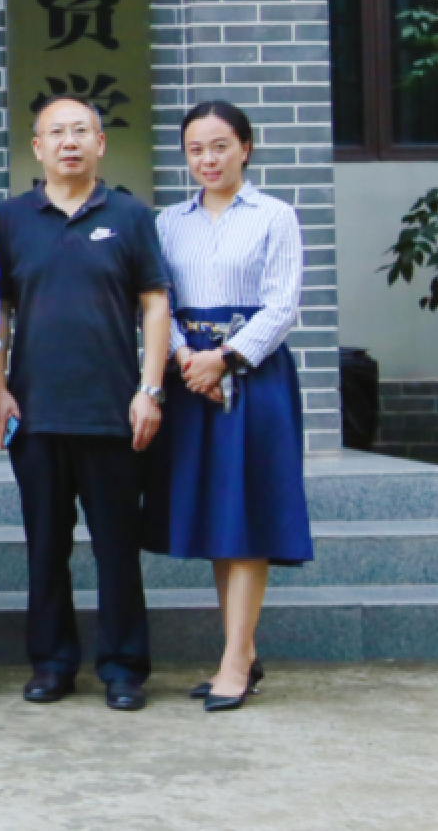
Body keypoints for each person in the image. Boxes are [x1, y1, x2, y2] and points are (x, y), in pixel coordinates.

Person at [0, 91, 172, 712]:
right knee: (46, 547)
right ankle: (52, 664)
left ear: (100, 143)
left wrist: (150, 390)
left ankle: (123, 668)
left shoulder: (130, 215)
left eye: (81, 131)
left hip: (113, 412)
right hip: (36, 412)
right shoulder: (10, 220)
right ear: (37, 147)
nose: (69, 142)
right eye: (56, 132)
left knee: (116, 548)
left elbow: (154, 304)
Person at [147, 100, 312, 713]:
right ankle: (241, 649)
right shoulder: (168, 222)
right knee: (221, 518)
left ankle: (235, 662)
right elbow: (157, 300)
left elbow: (282, 304)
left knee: (248, 518)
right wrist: (187, 358)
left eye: (220, 146)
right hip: (190, 379)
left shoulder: (274, 216)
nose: (208, 159)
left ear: (245, 147)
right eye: (195, 149)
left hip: (253, 378)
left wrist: (225, 358)